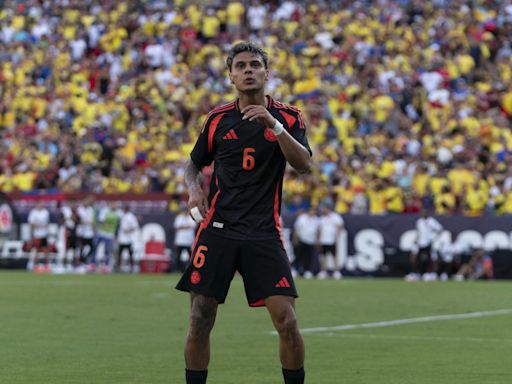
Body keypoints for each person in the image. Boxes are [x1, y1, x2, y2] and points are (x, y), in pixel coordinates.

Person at [176, 42, 312, 384]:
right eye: (241, 66)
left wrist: (274, 126)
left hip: (264, 232)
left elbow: (304, 166)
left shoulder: (289, 116)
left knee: (288, 322)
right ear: (231, 75)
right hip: (218, 230)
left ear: (266, 73)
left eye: (255, 64)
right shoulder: (218, 119)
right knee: (200, 317)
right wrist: (194, 189)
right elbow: (193, 165)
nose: (248, 70)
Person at [405, 209, 443, 281]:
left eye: (424, 212)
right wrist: (416, 239)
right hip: (420, 242)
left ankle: (430, 274)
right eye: (422, 212)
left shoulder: (432, 221)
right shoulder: (419, 221)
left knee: (430, 258)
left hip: (429, 243)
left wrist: (434, 238)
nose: (423, 213)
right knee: (416, 258)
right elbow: (419, 232)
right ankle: (416, 273)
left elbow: (440, 229)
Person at [317, 202, 344, 279]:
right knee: (323, 256)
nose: (323, 210)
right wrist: (318, 239)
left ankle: (336, 271)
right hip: (323, 240)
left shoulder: (335, 217)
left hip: (332, 240)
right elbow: (320, 229)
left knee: (334, 256)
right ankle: (323, 271)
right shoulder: (322, 218)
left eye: (325, 209)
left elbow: (340, 226)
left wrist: (336, 237)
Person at [292, 207, 320, 279]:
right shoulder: (302, 218)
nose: (312, 212)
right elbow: (296, 229)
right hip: (302, 240)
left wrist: (317, 241)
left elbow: (317, 231)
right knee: (299, 256)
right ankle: (295, 270)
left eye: (314, 211)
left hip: (311, 241)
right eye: (311, 210)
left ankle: (308, 271)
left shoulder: (316, 220)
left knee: (309, 257)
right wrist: (295, 239)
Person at [26, 200, 51, 272]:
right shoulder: (33, 212)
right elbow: (31, 223)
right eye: (39, 204)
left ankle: (47, 265)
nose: (41, 205)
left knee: (46, 250)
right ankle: (36, 266)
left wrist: (44, 227)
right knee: (37, 250)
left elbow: (47, 222)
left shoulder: (46, 212)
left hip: (44, 234)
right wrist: (38, 226)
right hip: (37, 234)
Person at [173, 202, 197, 272]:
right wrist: (186, 227)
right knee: (178, 256)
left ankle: (191, 269)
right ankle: (178, 269)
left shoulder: (190, 217)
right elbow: (176, 227)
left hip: (188, 241)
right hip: (180, 240)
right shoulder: (179, 217)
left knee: (191, 256)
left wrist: (182, 227)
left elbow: (193, 226)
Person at [116, 205, 140, 272]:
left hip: (128, 239)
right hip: (121, 239)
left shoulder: (131, 217)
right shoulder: (122, 215)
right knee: (119, 253)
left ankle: (132, 267)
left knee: (130, 253)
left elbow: (135, 227)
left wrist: (128, 230)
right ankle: (118, 267)